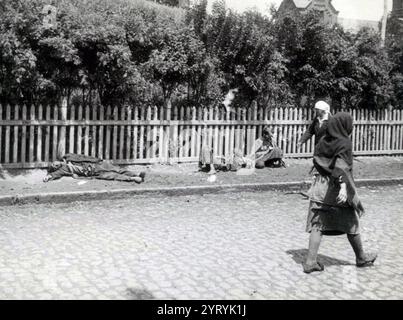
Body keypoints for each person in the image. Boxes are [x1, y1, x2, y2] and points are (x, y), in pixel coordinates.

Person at [303, 112, 377, 273]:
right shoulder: (344, 142)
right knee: (351, 222)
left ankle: (310, 262)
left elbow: (317, 159)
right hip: (336, 189)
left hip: (319, 187)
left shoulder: (323, 140)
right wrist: (343, 187)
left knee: (318, 224)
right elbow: (341, 166)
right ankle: (361, 258)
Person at [43, 153, 146, 183]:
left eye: (54, 163)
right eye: (53, 166)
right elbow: (54, 175)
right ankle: (133, 179)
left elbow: (83, 156)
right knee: (113, 176)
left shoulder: (68, 156)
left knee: (117, 169)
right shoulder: (64, 169)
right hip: (93, 173)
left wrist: (97, 159)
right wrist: (48, 177)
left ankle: (136, 174)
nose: (55, 164)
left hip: (97, 164)